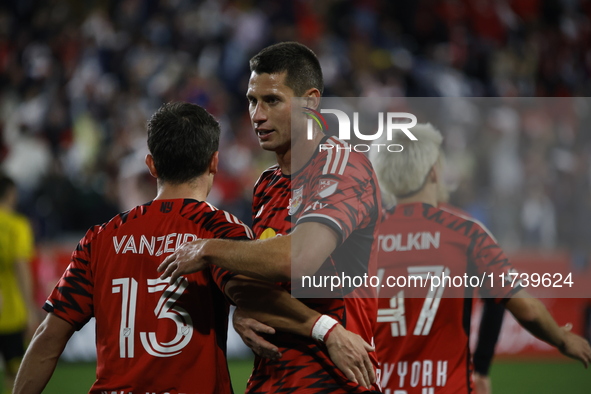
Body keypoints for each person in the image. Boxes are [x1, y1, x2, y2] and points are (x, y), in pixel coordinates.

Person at [158, 42, 383, 393]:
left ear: (310, 101)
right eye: (252, 100)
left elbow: (299, 259)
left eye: (272, 100)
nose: (257, 115)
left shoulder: (343, 167)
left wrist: (208, 250)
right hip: (272, 379)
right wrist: (243, 310)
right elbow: (266, 282)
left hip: (332, 380)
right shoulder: (267, 184)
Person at [14, 102, 258, 393]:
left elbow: (48, 338)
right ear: (214, 162)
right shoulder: (221, 231)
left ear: (151, 165)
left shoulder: (100, 239)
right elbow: (258, 303)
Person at [369, 123, 591, 393]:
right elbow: (525, 307)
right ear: (433, 172)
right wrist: (562, 339)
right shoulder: (465, 231)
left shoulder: (364, 237)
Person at [0, 173, 39, 392]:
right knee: (15, 372)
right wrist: (30, 310)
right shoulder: (17, 226)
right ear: (10, 194)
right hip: (11, 311)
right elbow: (21, 267)